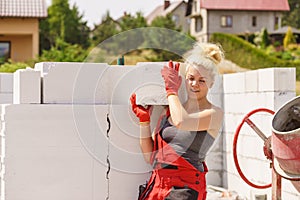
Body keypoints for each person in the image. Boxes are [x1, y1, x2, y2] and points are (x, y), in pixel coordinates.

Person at [130, 42, 225, 200]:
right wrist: (144, 121)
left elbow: (182, 122)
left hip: (185, 188)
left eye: (202, 80)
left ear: (211, 84)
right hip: (158, 184)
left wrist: (171, 91)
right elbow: (150, 157)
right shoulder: (170, 113)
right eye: (191, 78)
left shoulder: (213, 113)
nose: (195, 84)